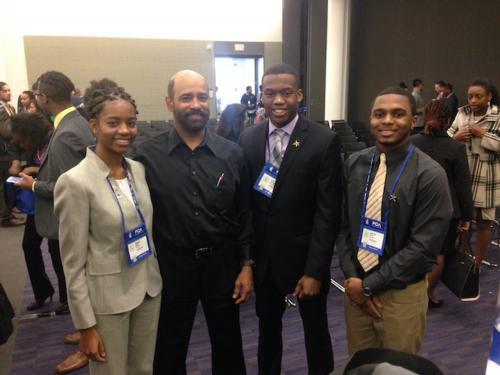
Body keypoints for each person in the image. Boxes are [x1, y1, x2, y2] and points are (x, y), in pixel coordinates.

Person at [134, 70, 254, 374]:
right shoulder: (146, 156)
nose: (196, 104)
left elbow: (244, 215)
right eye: (186, 97)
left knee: (228, 346)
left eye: (202, 96)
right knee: (169, 348)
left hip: (222, 265)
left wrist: (246, 265)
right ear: (169, 102)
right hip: (171, 267)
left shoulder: (232, 153)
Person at [239, 63, 342, 374]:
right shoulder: (248, 138)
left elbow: (328, 213)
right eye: (270, 93)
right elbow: (246, 205)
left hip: (305, 261)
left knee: (315, 333)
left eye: (286, 93)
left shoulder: (323, 140)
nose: (278, 100)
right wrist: (248, 260)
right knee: (267, 334)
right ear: (261, 96)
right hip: (265, 262)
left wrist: (315, 271)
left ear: (299, 95)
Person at [54, 80, 162, 375]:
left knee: (142, 368)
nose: (125, 131)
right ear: (94, 125)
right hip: (107, 299)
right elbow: (72, 263)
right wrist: (85, 325)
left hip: (148, 288)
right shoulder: (75, 182)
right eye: (113, 123)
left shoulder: (137, 170)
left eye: (131, 123)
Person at [337, 86, 452, 355]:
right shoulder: (354, 164)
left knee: (396, 369)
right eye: (380, 114)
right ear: (371, 119)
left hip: (401, 296)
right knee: (360, 366)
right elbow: (341, 227)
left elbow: (423, 248)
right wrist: (353, 279)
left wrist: (369, 286)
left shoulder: (430, 175)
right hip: (356, 289)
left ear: (414, 121)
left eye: (397, 114)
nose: (387, 120)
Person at [15, 70, 94, 314]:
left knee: (75, 274)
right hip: (77, 215)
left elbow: (69, 185)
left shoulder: (65, 133)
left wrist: (34, 185)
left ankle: (86, 331)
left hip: (71, 218)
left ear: (44, 97)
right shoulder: (77, 121)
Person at [411, 100, 473, 307]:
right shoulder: (455, 148)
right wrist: (467, 217)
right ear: (449, 121)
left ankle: (411, 295)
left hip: (414, 206)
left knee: (414, 251)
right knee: (439, 254)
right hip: (447, 210)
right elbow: (463, 186)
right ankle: (426, 295)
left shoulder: (411, 143)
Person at [10, 112, 65, 311]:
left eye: (22, 140)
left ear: (30, 134)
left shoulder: (56, 142)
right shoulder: (35, 147)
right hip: (38, 203)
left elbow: (60, 177)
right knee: (29, 246)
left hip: (55, 204)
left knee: (56, 251)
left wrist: (35, 173)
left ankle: (66, 299)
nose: (21, 145)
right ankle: (43, 291)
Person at [447, 79, 500, 268]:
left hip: (487, 176)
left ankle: (477, 264)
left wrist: (483, 135)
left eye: (479, 96)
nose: (473, 100)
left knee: (484, 222)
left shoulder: (498, 115)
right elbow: (445, 138)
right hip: (463, 173)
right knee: (463, 219)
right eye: (470, 96)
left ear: (489, 97)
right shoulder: (462, 113)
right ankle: (463, 254)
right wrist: (456, 137)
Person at [0, 81, 22, 226]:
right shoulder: (2, 110)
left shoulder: (9, 108)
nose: (9, 93)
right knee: (3, 185)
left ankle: (9, 210)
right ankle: (5, 217)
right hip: (4, 152)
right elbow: (6, 132)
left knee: (9, 183)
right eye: (5, 91)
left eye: (9, 90)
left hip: (9, 151)